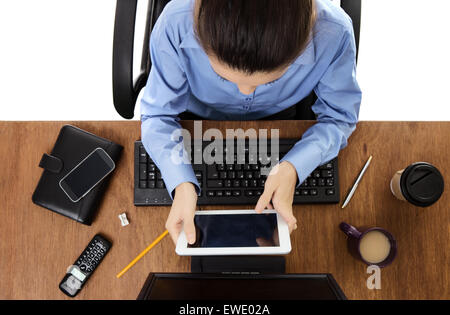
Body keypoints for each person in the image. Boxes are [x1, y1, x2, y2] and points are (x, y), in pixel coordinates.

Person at [140, 0, 362, 245]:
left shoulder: (335, 32)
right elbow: (157, 115)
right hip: (196, 117)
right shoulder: (175, 22)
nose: (245, 93)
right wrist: (180, 183)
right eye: (225, 76)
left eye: (266, 81)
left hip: (282, 116)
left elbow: (340, 117)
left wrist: (293, 168)